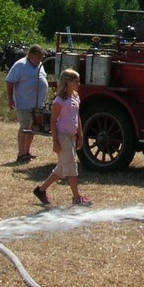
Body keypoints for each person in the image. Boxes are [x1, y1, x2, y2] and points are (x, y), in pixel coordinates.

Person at [33, 69, 91, 207]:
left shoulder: (75, 97)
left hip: (71, 136)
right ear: (67, 82)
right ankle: (77, 198)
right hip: (62, 136)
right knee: (71, 165)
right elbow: (53, 121)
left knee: (62, 167)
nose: (78, 84)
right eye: (76, 81)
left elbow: (77, 117)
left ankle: (41, 190)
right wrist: (55, 141)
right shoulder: (59, 101)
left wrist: (80, 135)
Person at [5, 44, 49, 163]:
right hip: (24, 103)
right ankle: (21, 153)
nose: (40, 60)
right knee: (25, 127)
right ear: (31, 55)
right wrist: (10, 98)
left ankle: (27, 151)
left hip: (37, 105)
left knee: (33, 128)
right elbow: (10, 81)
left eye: (42, 58)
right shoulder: (20, 65)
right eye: (39, 57)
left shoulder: (39, 65)